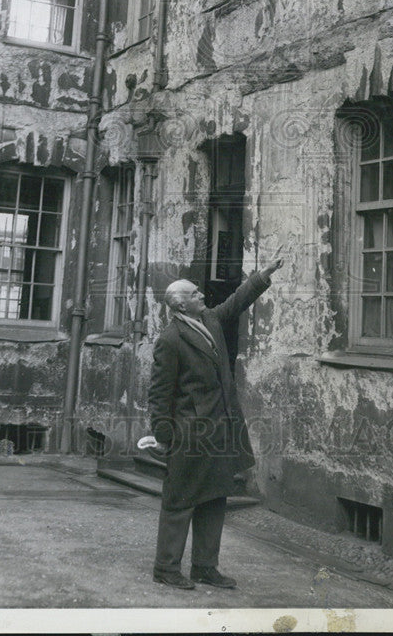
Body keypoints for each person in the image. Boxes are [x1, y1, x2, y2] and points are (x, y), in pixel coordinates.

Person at [148, 247, 283, 590]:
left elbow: (237, 301)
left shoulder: (209, 319)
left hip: (220, 430)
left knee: (214, 500)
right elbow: (160, 394)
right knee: (180, 501)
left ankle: (205, 567)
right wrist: (164, 437)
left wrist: (263, 274)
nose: (202, 294)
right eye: (194, 293)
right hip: (190, 435)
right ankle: (166, 568)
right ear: (180, 305)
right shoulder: (170, 340)